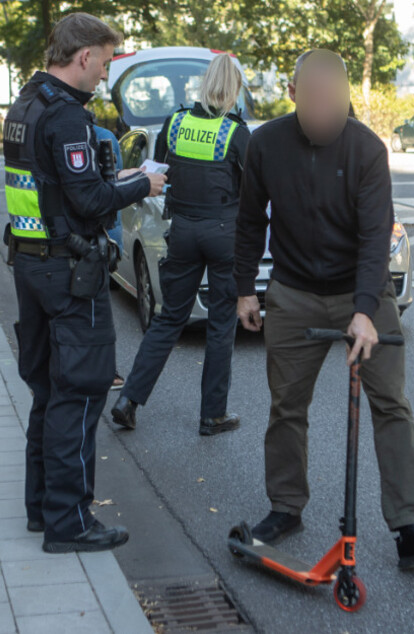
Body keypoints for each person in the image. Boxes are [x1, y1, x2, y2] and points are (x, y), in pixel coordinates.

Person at [234, 50, 414, 569]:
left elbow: (376, 235)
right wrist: (245, 289)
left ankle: (410, 526)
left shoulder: (366, 149)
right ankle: (285, 507)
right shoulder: (266, 143)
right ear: (292, 95)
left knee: (392, 403)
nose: (324, 114)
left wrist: (363, 310)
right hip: (292, 290)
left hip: (362, 288)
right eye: (313, 103)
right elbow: (248, 220)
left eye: (333, 104)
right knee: (286, 405)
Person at [4, 13, 165, 553]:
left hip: (31, 264)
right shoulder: (67, 115)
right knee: (79, 392)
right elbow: (90, 202)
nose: (105, 73)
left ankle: (41, 508)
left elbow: (56, 189)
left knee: (48, 392)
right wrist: (143, 183)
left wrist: (105, 181)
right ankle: (69, 524)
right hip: (70, 274)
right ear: (83, 57)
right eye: (104, 60)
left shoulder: (25, 105)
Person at [111, 54, 250, 436]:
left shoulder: (175, 122)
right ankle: (212, 415)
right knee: (221, 325)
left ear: (204, 84)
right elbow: (252, 192)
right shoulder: (236, 133)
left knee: (169, 317)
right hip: (224, 235)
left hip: (183, 231)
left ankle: (128, 400)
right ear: (234, 89)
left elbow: (158, 172)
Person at [87, 106, 126, 392]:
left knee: (87, 305)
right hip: (105, 235)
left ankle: (97, 367)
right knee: (100, 305)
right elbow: (114, 185)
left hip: (81, 236)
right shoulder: (105, 138)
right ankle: (107, 370)